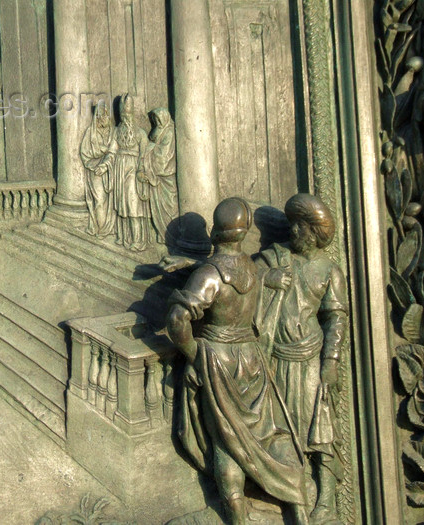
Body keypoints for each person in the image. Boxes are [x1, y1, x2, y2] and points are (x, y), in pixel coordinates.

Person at [167, 197, 308, 525]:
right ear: (243, 232)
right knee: (274, 435)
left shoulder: (210, 275)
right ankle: (300, 513)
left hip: (221, 364)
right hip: (253, 361)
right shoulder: (252, 267)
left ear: (215, 232)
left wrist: (196, 354)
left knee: (227, 444)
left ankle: (237, 516)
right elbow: (255, 279)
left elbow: (177, 321)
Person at [256, 193, 347, 522]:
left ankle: (326, 498)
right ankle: (292, 491)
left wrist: (331, 362)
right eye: (292, 224)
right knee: (282, 427)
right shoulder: (275, 258)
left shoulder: (329, 270)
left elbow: (336, 318)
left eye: (299, 226)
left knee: (318, 431)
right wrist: (267, 279)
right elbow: (245, 279)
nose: (292, 230)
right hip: (277, 358)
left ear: (314, 232)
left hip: (310, 361)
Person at [95, 94, 151, 251]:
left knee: (134, 206)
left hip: (133, 169)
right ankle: (125, 236)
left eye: (128, 113)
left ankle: (139, 240)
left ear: (132, 113)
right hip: (119, 169)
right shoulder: (117, 132)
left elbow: (144, 154)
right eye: (123, 114)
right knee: (122, 204)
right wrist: (104, 166)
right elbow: (112, 152)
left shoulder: (140, 133)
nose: (126, 117)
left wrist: (141, 170)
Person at [138, 107, 178, 244]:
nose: (157, 121)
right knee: (157, 206)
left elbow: (164, 155)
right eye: (155, 119)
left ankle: (171, 233)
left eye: (159, 119)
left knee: (169, 205)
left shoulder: (170, 132)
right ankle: (162, 234)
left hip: (165, 175)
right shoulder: (158, 129)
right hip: (155, 175)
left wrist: (149, 149)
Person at [80, 100, 116, 238]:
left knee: (111, 201)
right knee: (100, 200)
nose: (102, 118)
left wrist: (105, 165)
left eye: (105, 115)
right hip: (94, 170)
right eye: (99, 115)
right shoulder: (90, 132)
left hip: (110, 170)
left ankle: (109, 228)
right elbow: (84, 153)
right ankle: (101, 228)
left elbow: (113, 151)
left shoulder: (114, 131)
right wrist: (95, 164)